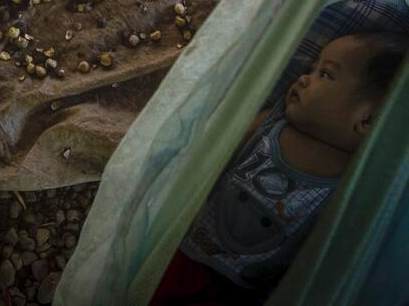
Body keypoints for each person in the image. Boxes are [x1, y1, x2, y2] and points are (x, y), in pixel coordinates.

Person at [151, 31, 407, 304]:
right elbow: (212, 153)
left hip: (241, 292)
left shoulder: (352, 186)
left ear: (366, 121)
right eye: (312, 67)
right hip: (180, 253)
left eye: (326, 74)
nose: (304, 77)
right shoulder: (271, 123)